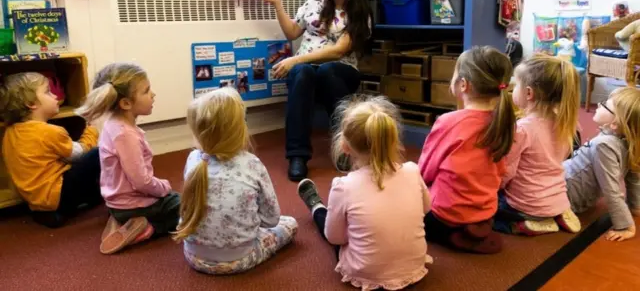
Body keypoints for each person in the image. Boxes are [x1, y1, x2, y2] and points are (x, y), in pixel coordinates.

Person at [298, 95, 432, 290]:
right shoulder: (412, 170)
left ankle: (316, 206)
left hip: (365, 272)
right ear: (393, 139)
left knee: (328, 220)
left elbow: (335, 238)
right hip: (413, 267)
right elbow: (426, 208)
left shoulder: (343, 186)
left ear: (344, 147)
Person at [256, 0, 372, 181]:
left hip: (341, 72)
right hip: (306, 70)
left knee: (326, 70)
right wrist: (277, 4)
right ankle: (297, 156)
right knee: (304, 73)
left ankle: (345, 146)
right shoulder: (315, 1)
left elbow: (338, 51)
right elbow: (292, 32)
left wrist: (295, 59)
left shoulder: (359, 14)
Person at [173, 88, 297, 274]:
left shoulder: (193, 159)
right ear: (241, 129)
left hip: (194, 257)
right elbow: (272, 219)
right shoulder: (252, 164)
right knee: (290, 223)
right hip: (240, 259)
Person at [418, 46, 515, 254]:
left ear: (463, 84)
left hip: (444, 215)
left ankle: (453, 234)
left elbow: (424, 172)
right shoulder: (505, 121)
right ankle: (473, 232)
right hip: (485, 213)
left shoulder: (448, 122)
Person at [75, 63, 180, 254]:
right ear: (125, 103)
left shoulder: (111, 125)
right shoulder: (126, 135)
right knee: (183, 208)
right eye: (147, 91)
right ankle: (148, 229)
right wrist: (163, 186)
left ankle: (120, 219)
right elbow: (141, 181)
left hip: (115, 202)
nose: (153, 94)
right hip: (132, 205)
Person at [0, 72, 100, 228]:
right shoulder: (49, 132)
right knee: (97, 154)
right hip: (57, 196)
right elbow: (80, 153)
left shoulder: (10, 132)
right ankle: (84, 200)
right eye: (48, 91)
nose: (55, 96)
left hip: (35, 200)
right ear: (31, 103)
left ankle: (47, 213)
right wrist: (91, 131)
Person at [497, 54, 582, 236]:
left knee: (486, 211)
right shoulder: (567, 123)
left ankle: (522, 225)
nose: (513, 88)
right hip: (558, 200)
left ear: (529, 93)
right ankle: (556, 215)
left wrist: (491, 187)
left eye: (516, 84)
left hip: (525, 205)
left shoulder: (522, 129)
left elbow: (506, 172)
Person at [565, 87, 640, 241]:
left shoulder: (603, 145)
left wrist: (626, 225)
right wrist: (636, 206)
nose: (599, 104)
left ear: (614, 124)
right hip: (573, 190)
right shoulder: (630, 143)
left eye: (605, 104)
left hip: (566, 195)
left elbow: (611, 189)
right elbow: (634, 179)